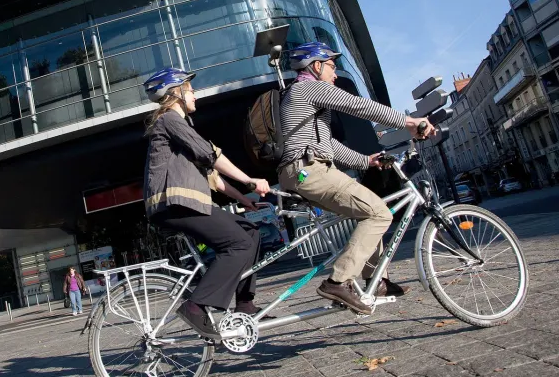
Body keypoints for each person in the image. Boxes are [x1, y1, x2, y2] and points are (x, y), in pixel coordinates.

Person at [278, 42, 435, 315]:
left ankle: (377, 281)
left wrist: (366, 161)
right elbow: (358, 105)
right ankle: (338, 282)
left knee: (369, 210)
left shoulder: (301, 94)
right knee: (379, 213)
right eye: (331, 66)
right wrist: (409, 121)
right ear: (316, 66)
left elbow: (328, 143)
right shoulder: (308, 88)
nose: (335, 73)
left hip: (304, 169)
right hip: (309, 170)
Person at [142, 67, 271, 336]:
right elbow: (210, 155)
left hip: (186, 204)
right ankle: (196, 306)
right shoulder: (169, 120)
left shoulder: (179, 127)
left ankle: (245, 304)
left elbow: (212, 175)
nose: (195, 95)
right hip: (175, 204)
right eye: (190, 90)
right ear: (176, 93)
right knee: (238, 244)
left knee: (250, 231)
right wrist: (249, 180)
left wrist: (243, 198)